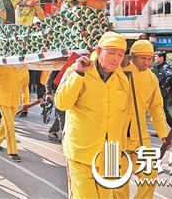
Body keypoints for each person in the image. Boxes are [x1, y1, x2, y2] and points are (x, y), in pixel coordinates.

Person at [55, 31, 130, 198]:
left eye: (120, 54)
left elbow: (123, 116)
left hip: (110, 153)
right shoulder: (78, 70)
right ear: (99, 50)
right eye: (111, 53)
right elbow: (61, 103)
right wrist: (78, 74)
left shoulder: (122, 79)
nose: (116, 59)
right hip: (82, 150)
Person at [116, 40, 170, 199]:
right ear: (132, 56)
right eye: (142, 58)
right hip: (117, 135)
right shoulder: (119, 70)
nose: (147, 62)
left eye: (150, 58)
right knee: (119, 180)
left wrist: (163, 134)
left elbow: (156, 108)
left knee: (150, 176)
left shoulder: (152, 79)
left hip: (140, 136)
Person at [0, 65, 29, 162]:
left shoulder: (24, 68)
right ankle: (12, 151)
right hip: (3, 100)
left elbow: (25, 87)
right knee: (10, 125)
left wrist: (26, 102)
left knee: (6, 123)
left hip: (15, 101)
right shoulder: (1, 66)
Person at [154, 51, 172, 142]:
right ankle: (161, 131)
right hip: (159, 92)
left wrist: (165, 85)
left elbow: (171, 76)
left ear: (162, 57)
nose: (154, 58)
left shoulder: (165, 66)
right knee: (158, 112)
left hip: (163, 93)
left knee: (165, 113)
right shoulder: (159, 66)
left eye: (156, 57)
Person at [45, 69, 66, 141]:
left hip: (71, 92)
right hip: (59, 92)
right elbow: (49, 80)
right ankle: (65, 139)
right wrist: (48, 93)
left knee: (62, 115)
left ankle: (53, 131)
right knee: (62, 114)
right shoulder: (58, 65)